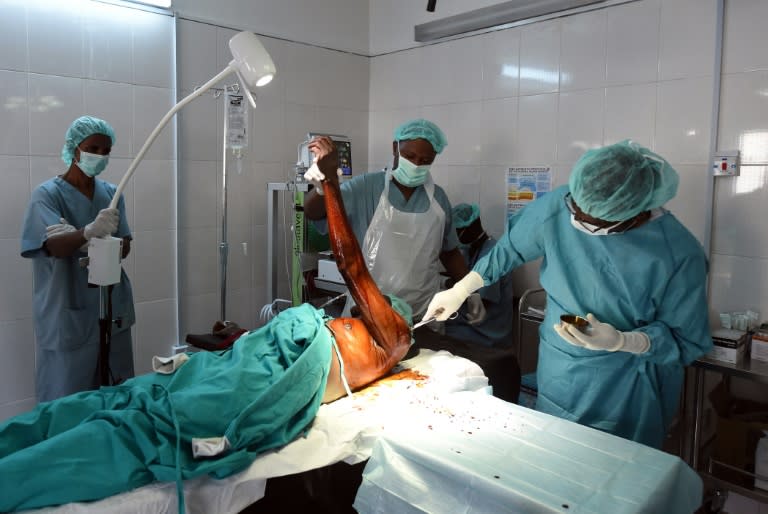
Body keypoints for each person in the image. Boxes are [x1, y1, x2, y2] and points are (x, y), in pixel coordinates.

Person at [0, 137, 414, 512]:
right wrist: (240, 338)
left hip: (261, 380)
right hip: (242, 362)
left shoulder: (393, 334)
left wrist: (329, 182)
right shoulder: (355, 328)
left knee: (138, 427)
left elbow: (351, 263)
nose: (363, 306)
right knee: (122, 398)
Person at [422, 140, 712, 449]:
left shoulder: (678, 252)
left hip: (628, 384)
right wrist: (463, 287)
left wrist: (624, 341)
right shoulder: (565, 202)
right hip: (562, 367)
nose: (578, 221)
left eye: (594, 221)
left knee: (615, 474)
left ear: (635, 214)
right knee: (555, 456)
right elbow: (510, 248)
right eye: (576, 210)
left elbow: (686, 339)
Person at [303, 119, 481, 321]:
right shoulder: (365, 188)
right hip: (368, 314)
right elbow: (314, 212)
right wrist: (322, 185)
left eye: (425, 160)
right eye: (410, 156)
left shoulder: (438, 199)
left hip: (422, 316)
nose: (416, 165)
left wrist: (469, 291)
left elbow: (449, 252)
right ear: (395, 147)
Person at [20, 115, 136, 402]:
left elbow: (125, 245)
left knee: (116, 394)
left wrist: (89, 240)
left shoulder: (111, 194)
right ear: (74, 149)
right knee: (66, 400)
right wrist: (89, 233)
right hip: (67, 310)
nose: (99, 156)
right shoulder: (47, 195)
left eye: (105, 151)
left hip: (111, 306)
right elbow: (53, 246)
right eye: (93, 148)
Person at [443, 203, 514, 346]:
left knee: (439, 334)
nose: (453, 239)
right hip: (472, 326)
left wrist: (445, 284)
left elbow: (481, 301)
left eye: (455, 233)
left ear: (468, 230)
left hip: (486, 331)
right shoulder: (472, 250)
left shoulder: (491, 254)